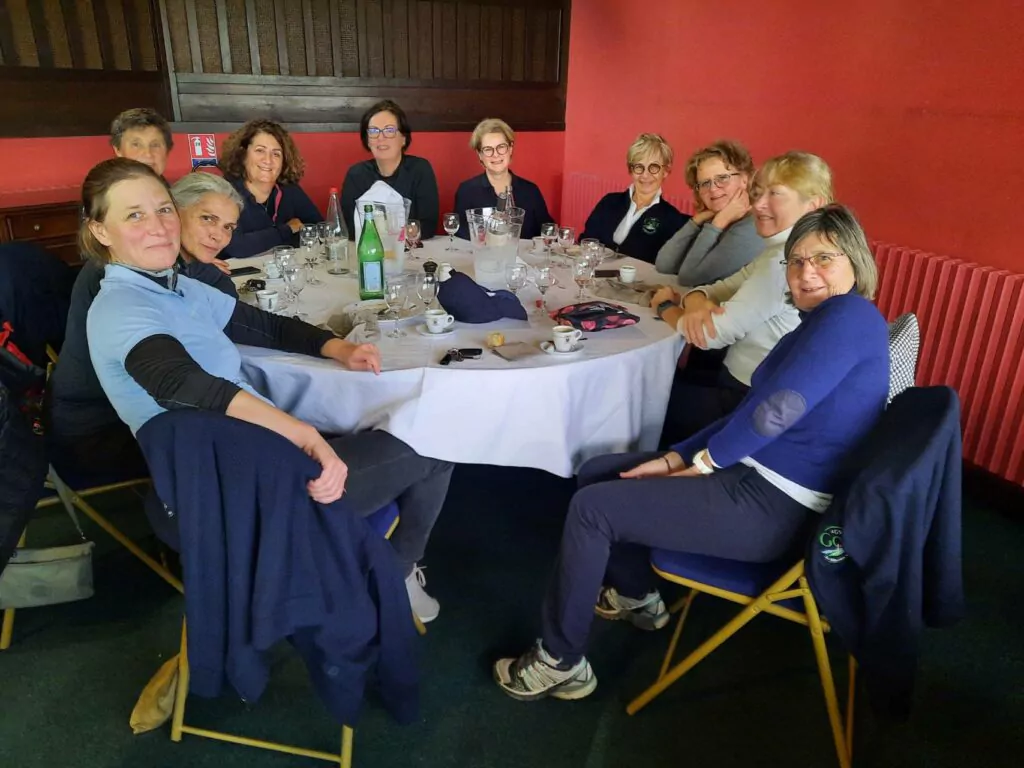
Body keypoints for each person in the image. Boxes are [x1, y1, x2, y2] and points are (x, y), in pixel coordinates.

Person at [493, 203, 888, 701]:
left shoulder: (849, 318)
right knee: (598, 471)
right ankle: (639, 596)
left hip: (776, 509)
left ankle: (560, 661)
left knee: (593, 510)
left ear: (855, 261)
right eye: (796, 260)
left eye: (824, 258)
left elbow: (773, 413)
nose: (806, 272)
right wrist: (677, 457)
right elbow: (752, 412)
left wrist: (702, 466)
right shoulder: (827, 319)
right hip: (756, 478)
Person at [81, 158, 452, 621]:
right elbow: (183, 384)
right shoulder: (120, 306)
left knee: (391, 418)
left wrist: (336, 347)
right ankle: (393, 573)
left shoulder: (174, 288)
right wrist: (304, 434)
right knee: (441, 439)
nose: (158, 226)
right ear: (101, 231)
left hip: (246, 464)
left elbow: (265, 326)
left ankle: (359, 560)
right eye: (134, 215)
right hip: (236, 496)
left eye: (163, 210)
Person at [46, 170, 245, 484]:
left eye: (228, 227)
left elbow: (231, 311)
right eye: (207, 219)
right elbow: (184, 382)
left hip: (151, 411)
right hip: (102, 430)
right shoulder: (116, 274)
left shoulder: (170, 268)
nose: (218, 236)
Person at [653, 151, 834, 444]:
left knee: (640, 392)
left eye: (775, 194)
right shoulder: (778, 251)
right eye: (758, 193)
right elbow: (712, 288)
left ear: (813, 205)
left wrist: (664, 306)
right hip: (741, 386)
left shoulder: (786, 264)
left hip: (746, 403)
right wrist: (697, 300)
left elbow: (709, 336)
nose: (759, 204)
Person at [655, 139, 761, 285]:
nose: (712, 189)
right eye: (705, 183)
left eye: (722, 178)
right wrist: (696, 221)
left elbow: (688, 278)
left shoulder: (753, 226)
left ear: (744, 179)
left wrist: (718, 223)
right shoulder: (713, 218)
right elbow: (664, 264)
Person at [219, 119, 323, 259]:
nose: (268, 160)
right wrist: (288, 229)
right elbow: (237, 247)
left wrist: (261, 240)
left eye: (276, 154)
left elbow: (319, 229)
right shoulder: (226, 193)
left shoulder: (289, 190)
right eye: (260, 151)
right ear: (243, 155)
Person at [579, 133, 689, 264]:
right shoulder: (609, 202)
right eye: (639, 167)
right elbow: (585, 241)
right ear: (631, 170)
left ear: (665, 171)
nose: (645, 175)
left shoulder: (672, 219)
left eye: (654, 167)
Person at [341, 100, 439, 239]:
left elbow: (428, 225)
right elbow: (349, 228)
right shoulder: (356, 174)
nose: (381, 138)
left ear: (403, 138)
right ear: (368, 140)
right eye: (374, 131)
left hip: (411, 252)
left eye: (389, 130)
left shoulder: (420, 169)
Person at [453, 118, 552, 240]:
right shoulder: (466, 191)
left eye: (501, 147)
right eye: (488, 149)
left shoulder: (531, 190)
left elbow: (548, 230)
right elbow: (460, 237)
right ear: (480, 155)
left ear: (510, 149)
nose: (496, 154)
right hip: (483, 257)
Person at [110, 108, 173, 178]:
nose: (148, 154)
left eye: (155, 145)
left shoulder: (178, 188)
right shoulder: (106, 188)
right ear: (118, 150)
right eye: (136, 145)